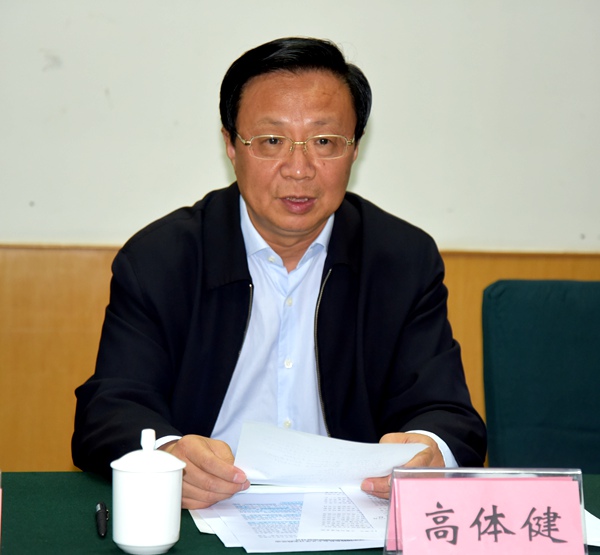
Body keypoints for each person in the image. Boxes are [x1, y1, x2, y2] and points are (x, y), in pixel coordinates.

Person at [72, 37, 486, 509]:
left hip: (353, 514)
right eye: (272, 142)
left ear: (354, 149)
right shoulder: (162, 258)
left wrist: (428, 449)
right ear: (231, 145)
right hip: (206, 510)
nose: (299, 169)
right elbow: (111, 408)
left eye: (324, 142)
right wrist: (167, 456)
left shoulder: (402, 260)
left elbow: (448, 415)